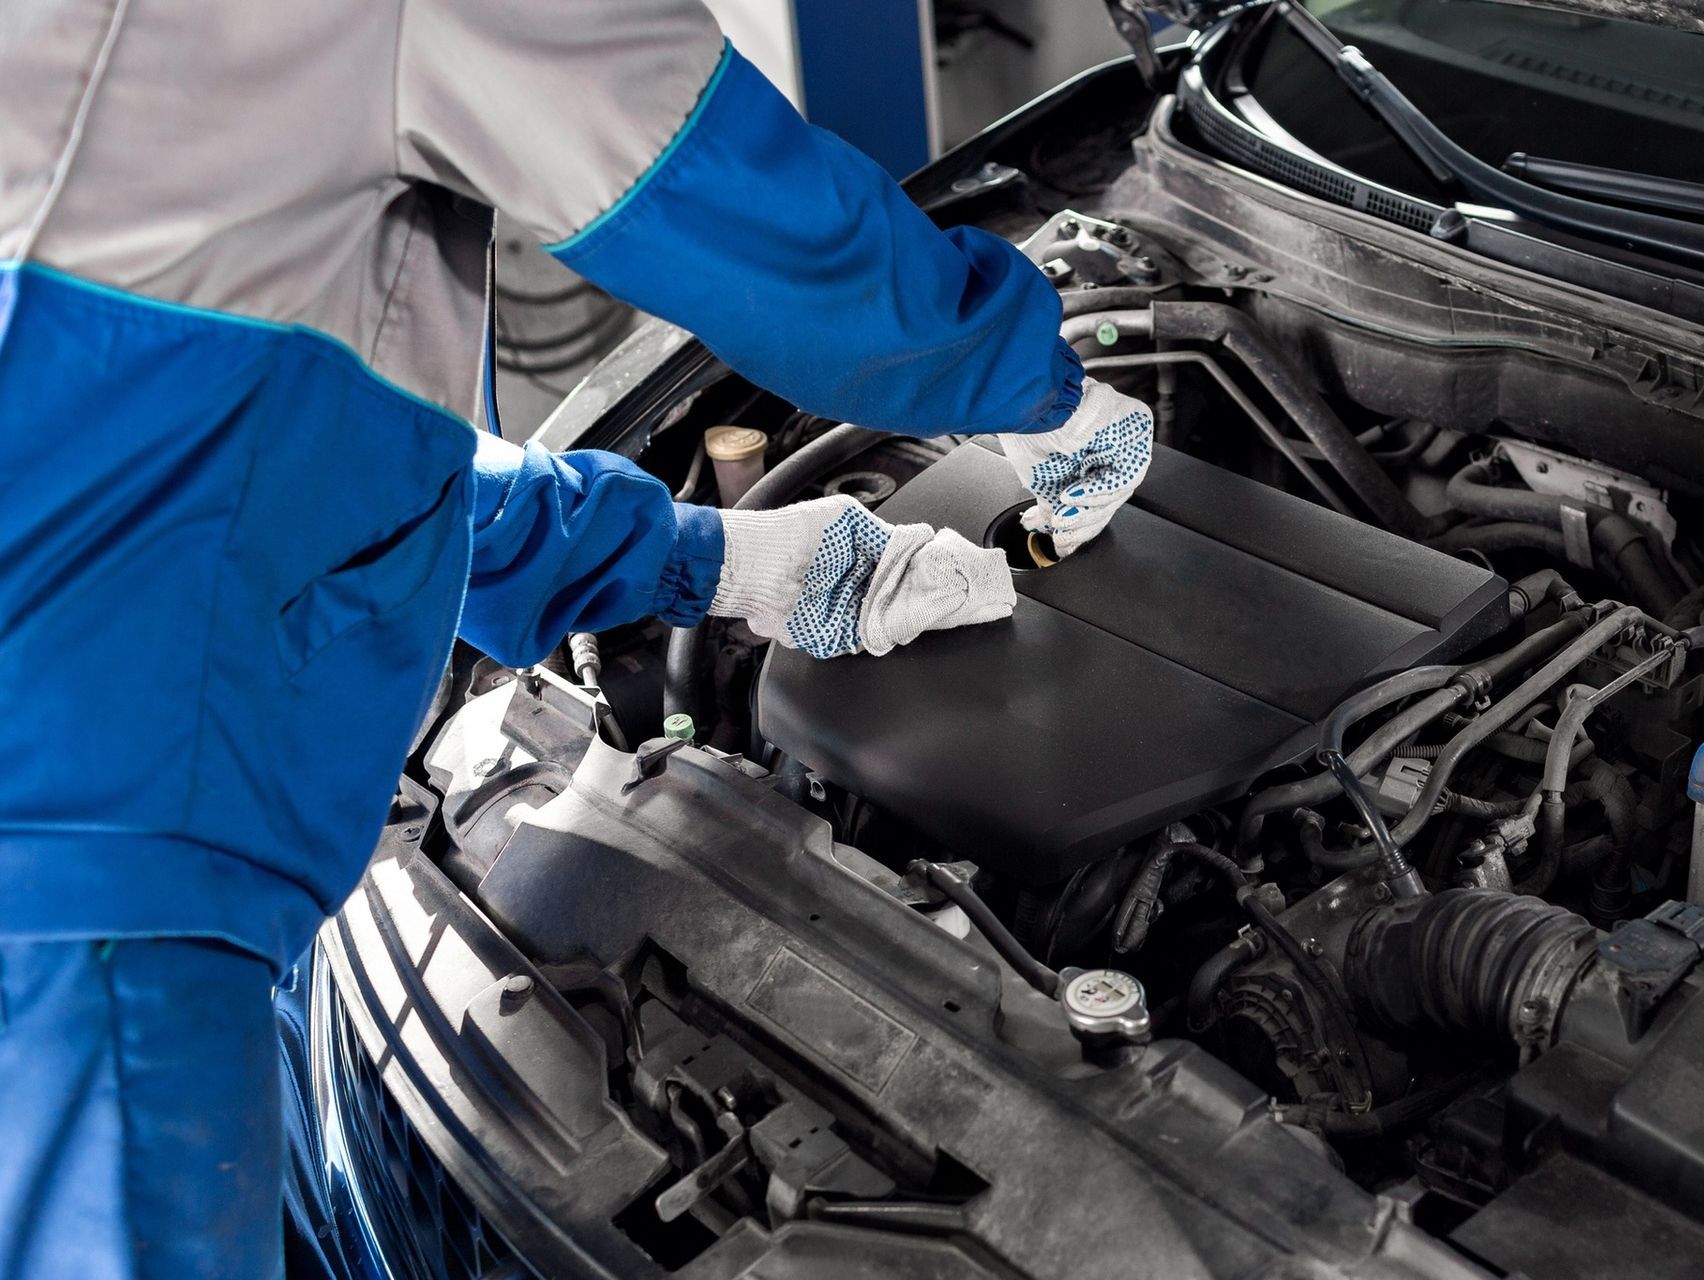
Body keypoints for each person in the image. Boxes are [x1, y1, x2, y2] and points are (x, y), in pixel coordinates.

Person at [0, 2, 1154, 1275]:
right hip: (78, 899)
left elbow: (265, 448)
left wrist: (713, 561)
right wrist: (1038, 384)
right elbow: (740, 209)